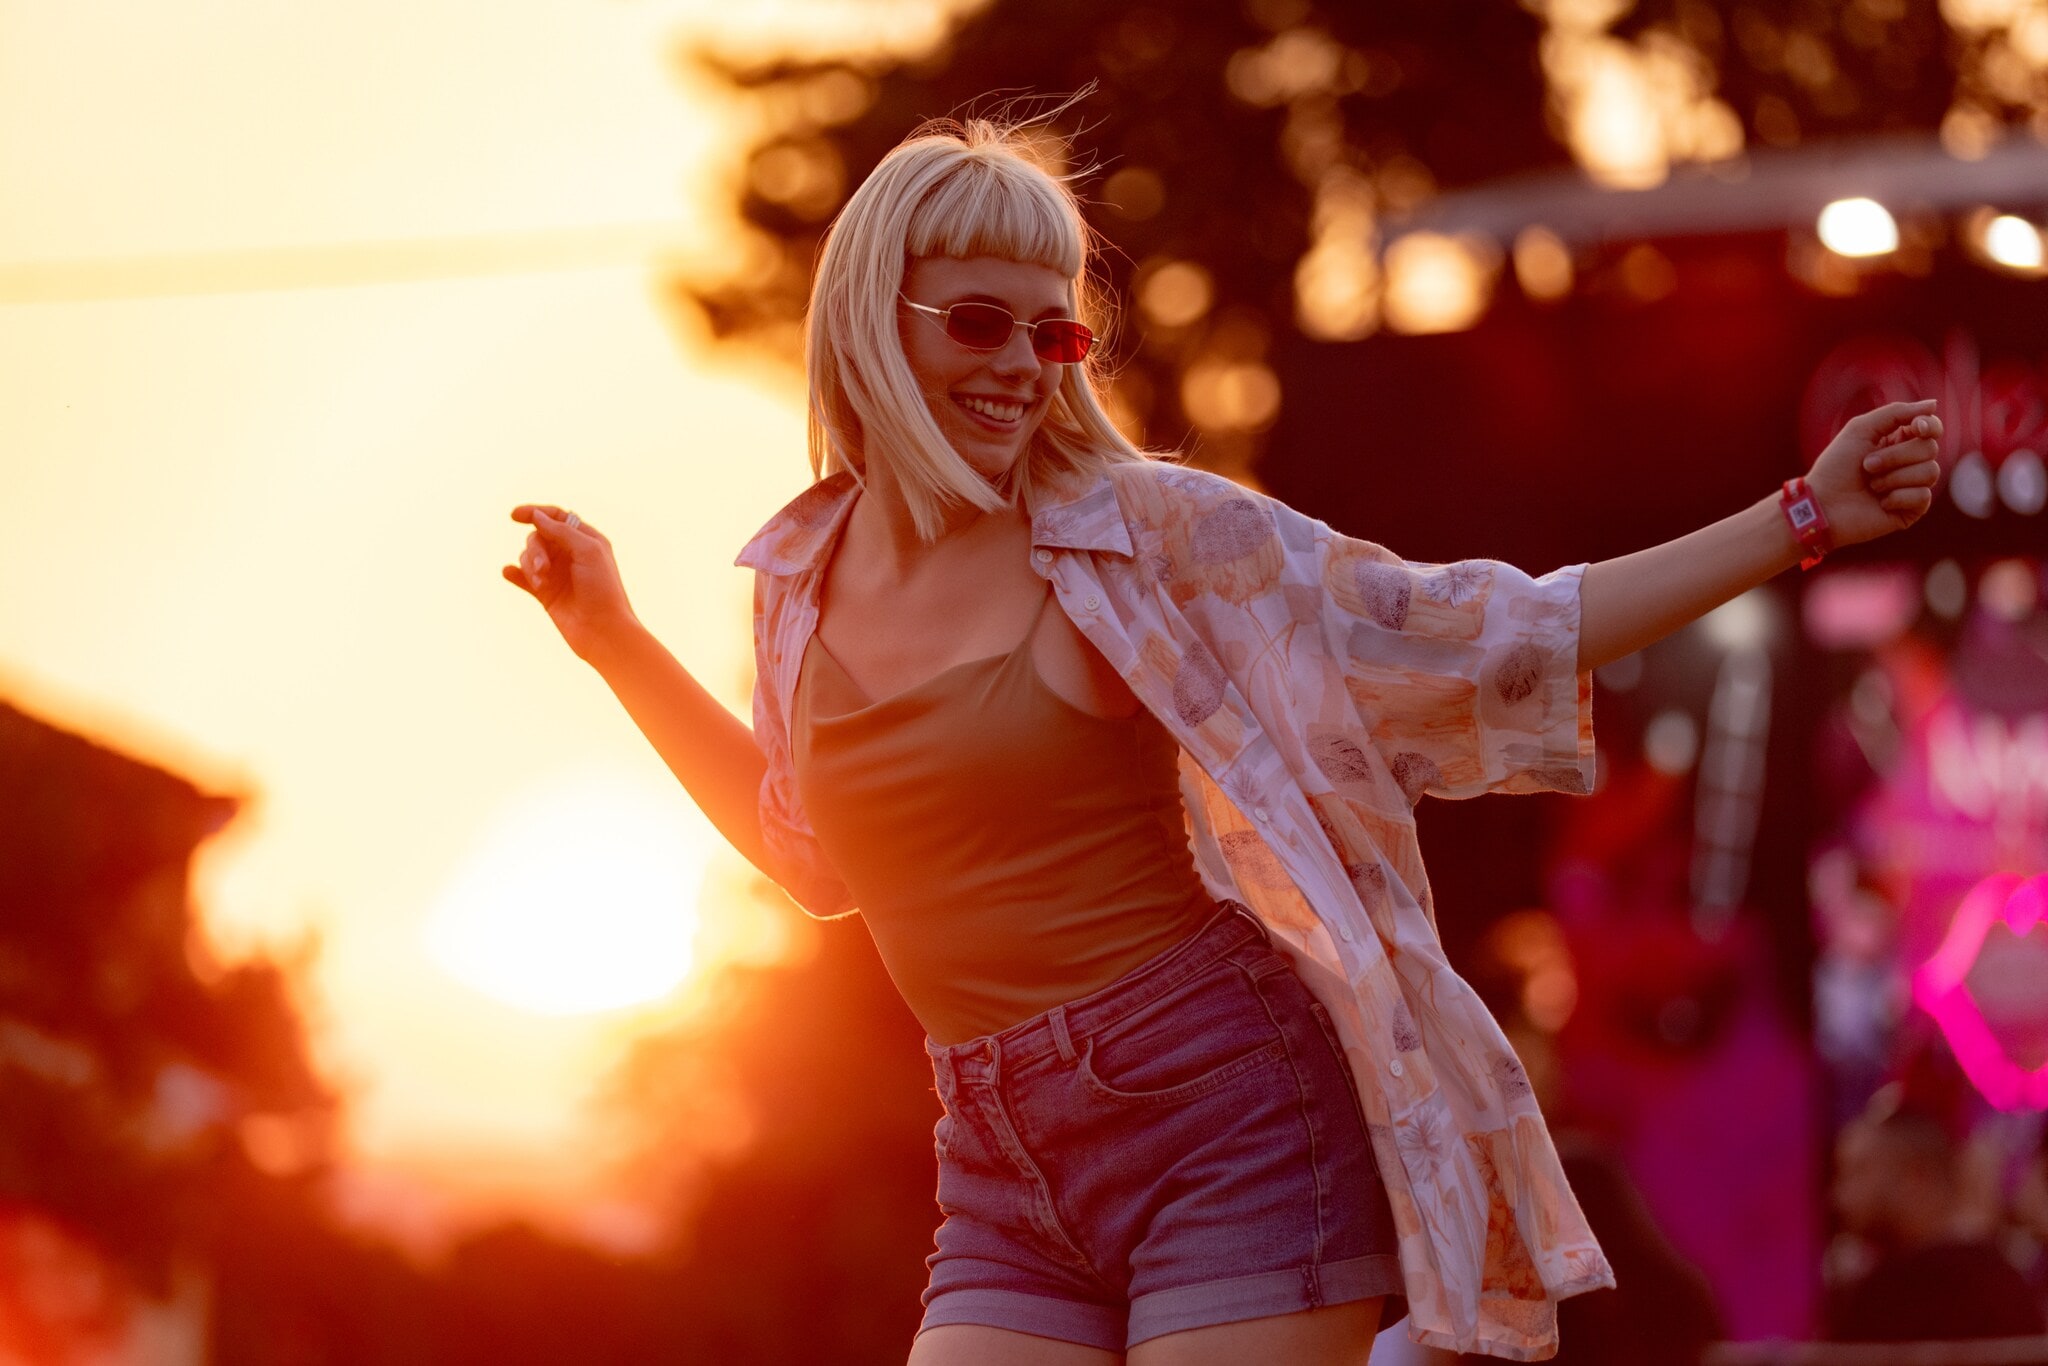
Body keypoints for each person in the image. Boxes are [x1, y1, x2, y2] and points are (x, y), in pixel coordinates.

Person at [501, 113, 1944, 1365]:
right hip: (995, 1159)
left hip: (1228, 1114)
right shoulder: (798, 580)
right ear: (875, 321)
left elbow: (1485, 626)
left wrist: (1799, 519)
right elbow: (810, 856)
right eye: (978, 323)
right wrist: (613, 637)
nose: (1022, 367)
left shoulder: (1142, 535)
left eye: (1054, 332)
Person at [1825, 1095, 2044, 1343]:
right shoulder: (2005, 1283)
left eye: (1858, 1172)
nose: (1839, 1196)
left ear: (1915, 1177)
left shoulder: (1892, 1294)